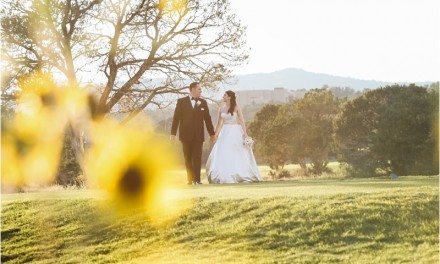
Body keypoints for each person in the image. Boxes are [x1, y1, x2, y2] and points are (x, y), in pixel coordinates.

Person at [206, 90, 261, 183]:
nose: (223, 97)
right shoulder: (221, 109)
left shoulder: (236, 107)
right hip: (224, 132)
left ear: (229, 97)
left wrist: (245, 134)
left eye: (225, 95)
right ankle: (223, 173)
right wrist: (215, 135)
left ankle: (238, 172)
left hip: (235, 131)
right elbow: (219, 123)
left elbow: (242, 121)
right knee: (223, 151)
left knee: (236, 151)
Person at [170, 82, 215, 185]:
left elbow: (207, 119)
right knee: (187, 157)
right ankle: (190, 179)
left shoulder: (203, 102)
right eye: (199, 89)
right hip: (185, 135)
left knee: (197, 157)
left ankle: (197, 180)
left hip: (198, 135)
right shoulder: (181, 102)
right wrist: (173, 134)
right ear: (193, 89)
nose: (201, 91)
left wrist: (212, 133)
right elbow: (176, 118)